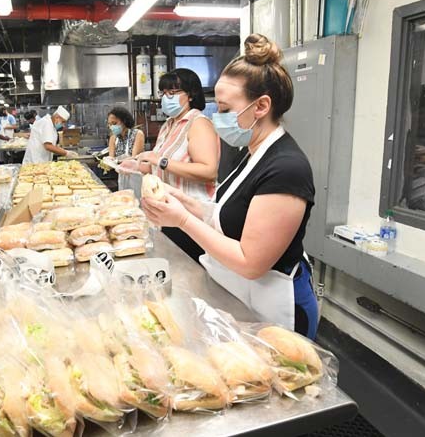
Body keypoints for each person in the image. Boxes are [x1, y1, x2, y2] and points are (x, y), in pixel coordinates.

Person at [141, 34, 318, 339]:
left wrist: (182, 221)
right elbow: (227, 216)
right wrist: (183, 201)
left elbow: (251, 262)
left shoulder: (286, 168)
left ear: (261, 105)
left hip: (274, 307)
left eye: (224, 109)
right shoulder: (252, 153)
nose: (217, 117)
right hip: (242, 296)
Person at [128, 68, 219, 262]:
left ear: (191, 95)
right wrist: (135, 166)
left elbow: (208, 170)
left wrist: (160, 160)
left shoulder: (198, 123)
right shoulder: (169, 124)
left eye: (172, 93)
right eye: (163, 93)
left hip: (191, 215)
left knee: (192, 273)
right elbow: (159, 167)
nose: (166, 98)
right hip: (167, 213)